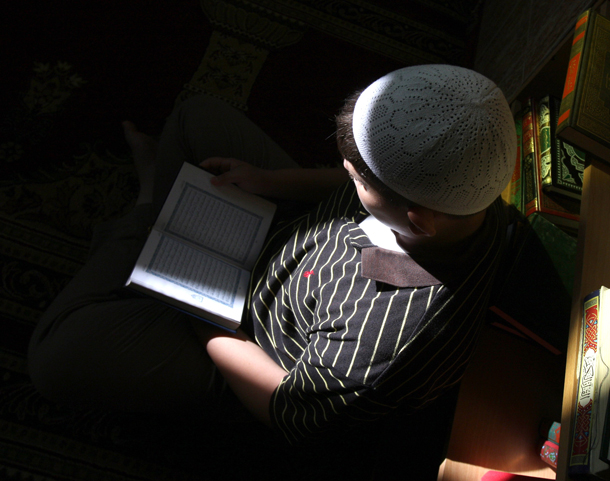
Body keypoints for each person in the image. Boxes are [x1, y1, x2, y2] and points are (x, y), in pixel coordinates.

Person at [28, 64, 516, 464]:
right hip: (288, 245)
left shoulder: (386, 338)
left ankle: (144, 207)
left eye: (357, 178)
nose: (348, 180)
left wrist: (200, 309)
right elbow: (352, 186)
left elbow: (282, 406)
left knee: (53, 358)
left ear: (417, 220)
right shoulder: (467, 192)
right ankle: (156, 214)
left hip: (249, 344)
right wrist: (271, 181)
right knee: (194, 119)